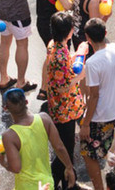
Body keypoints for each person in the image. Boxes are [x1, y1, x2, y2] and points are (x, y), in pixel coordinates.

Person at [0, 88, 76, 190]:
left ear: (5, 108)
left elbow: (16, 168)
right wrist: (69, 167)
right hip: (46, 184)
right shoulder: (44, 118)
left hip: (25, 186)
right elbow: (59, 147)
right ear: (26, 102)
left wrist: (4, 163)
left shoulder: (9, 136)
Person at [80, 18, 115, 190]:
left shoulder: (92, 63)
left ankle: (99, 187)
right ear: (105, 33)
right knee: (114, 151)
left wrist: (85, 124)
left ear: (87, 38)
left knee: (87, 152)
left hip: (99, 117)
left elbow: (94, 96)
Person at [44, 11, 85, 190]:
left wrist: (76, 57)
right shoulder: (60, 55)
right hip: (64, 108)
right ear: (69, 31)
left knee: (65, 146)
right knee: (65, 151)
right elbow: (63, 86)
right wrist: (79, 76)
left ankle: (67, 182)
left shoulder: (54, 45)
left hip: (57, 105)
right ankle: (55, 183)